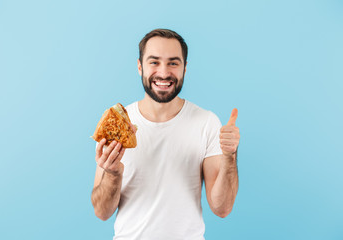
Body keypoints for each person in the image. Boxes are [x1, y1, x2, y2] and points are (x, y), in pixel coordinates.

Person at [91, 29, 240, 240]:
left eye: (173, 63)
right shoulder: (118, 124)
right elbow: (102, 212)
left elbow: (221, 208)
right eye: (154, 62)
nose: (163, 72)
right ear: (139, 66)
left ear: (185, 69)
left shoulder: (207, 122)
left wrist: (229, 156)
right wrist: (113, 174)